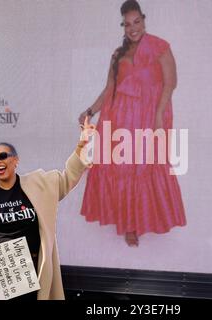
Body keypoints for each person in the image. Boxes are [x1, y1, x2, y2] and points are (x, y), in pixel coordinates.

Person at [79, 0, 186, 247]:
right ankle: (128, 225)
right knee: (121, 170)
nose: (133, 28)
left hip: (149, 118)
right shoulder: (118, 55)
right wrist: (90, 111)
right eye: (127, 24)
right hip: (119, 118)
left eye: (136, 21)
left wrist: (159, 115)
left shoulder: (160, 47)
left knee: (145, 168)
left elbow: (170, 83)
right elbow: (109, 89)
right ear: (123, 26)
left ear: (144, 20)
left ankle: (145, 221)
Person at [0, 118, 94, 300]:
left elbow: (67, 177)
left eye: (2, 156)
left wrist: (81, 146)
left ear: (16, 160)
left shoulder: (37, 185)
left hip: (28, 271)